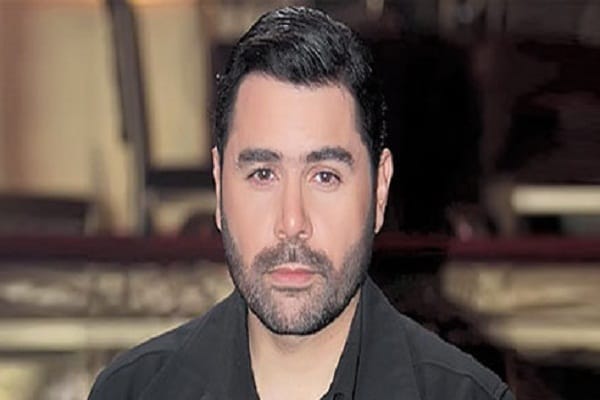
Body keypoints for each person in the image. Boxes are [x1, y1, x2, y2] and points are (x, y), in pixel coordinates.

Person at [89, 6, 514, 400]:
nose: (292, 222)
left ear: (380, 190)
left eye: (325, 177)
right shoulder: (132, 391)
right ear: (219, 188)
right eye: (263, 174)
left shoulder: (466, 392)